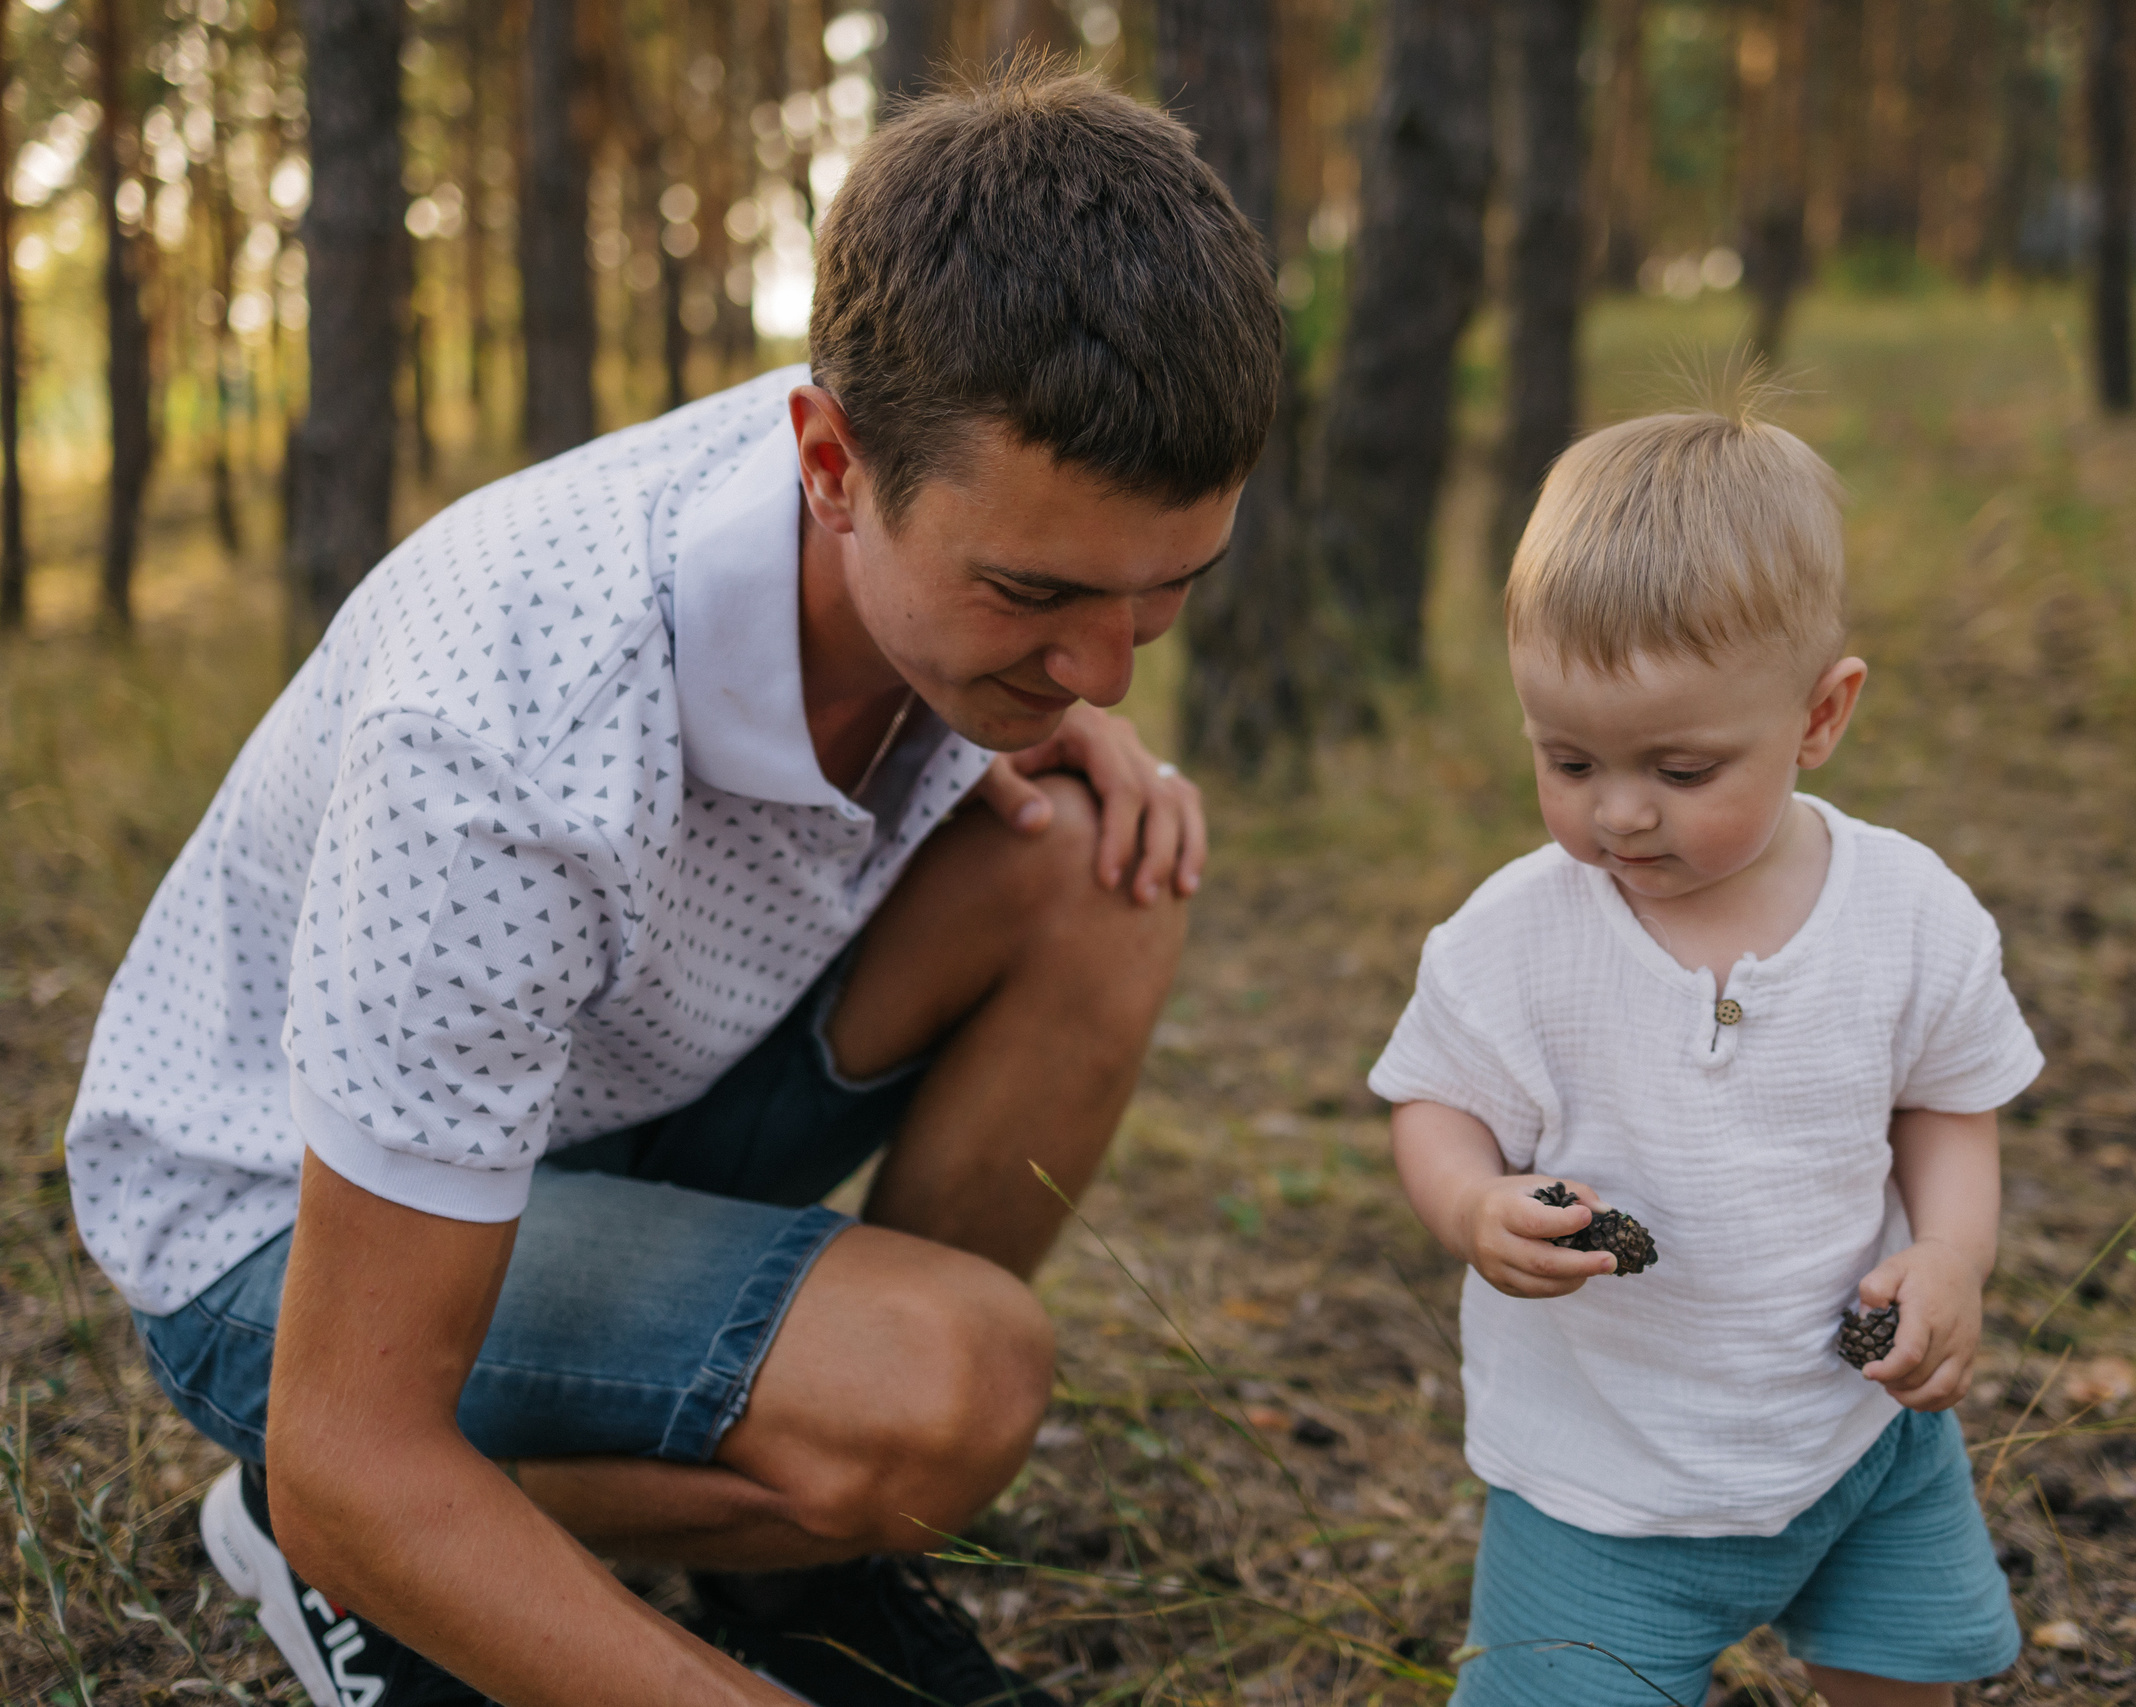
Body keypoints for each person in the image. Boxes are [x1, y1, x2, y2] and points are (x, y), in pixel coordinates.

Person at [65, 70, 1282, 1707]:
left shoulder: (929, 463)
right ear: (830, 459)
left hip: (607, 1105)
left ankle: (806, 1520)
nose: (1105, 675)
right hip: (284, 1242)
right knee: (951, 1380)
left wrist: (1018, 692)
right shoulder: (505, 742)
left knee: (1106, 861)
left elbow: (1046, 657)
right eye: (1036, 595)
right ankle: (316, 1542)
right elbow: (360, 1436)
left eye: (1165, 595)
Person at [1370, 406, 2043, 1706]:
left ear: (1820, 716)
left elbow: (1951, 1108)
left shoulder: (1905, 914)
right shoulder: (1518, 936)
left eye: (1681, 768)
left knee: (1909, 1676)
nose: (1618, 811)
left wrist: (1954, 1255)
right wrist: (1470, 1202)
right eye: (1567, 760)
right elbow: (1435, 1099)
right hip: (1602, 1480)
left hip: (1861, 1443)